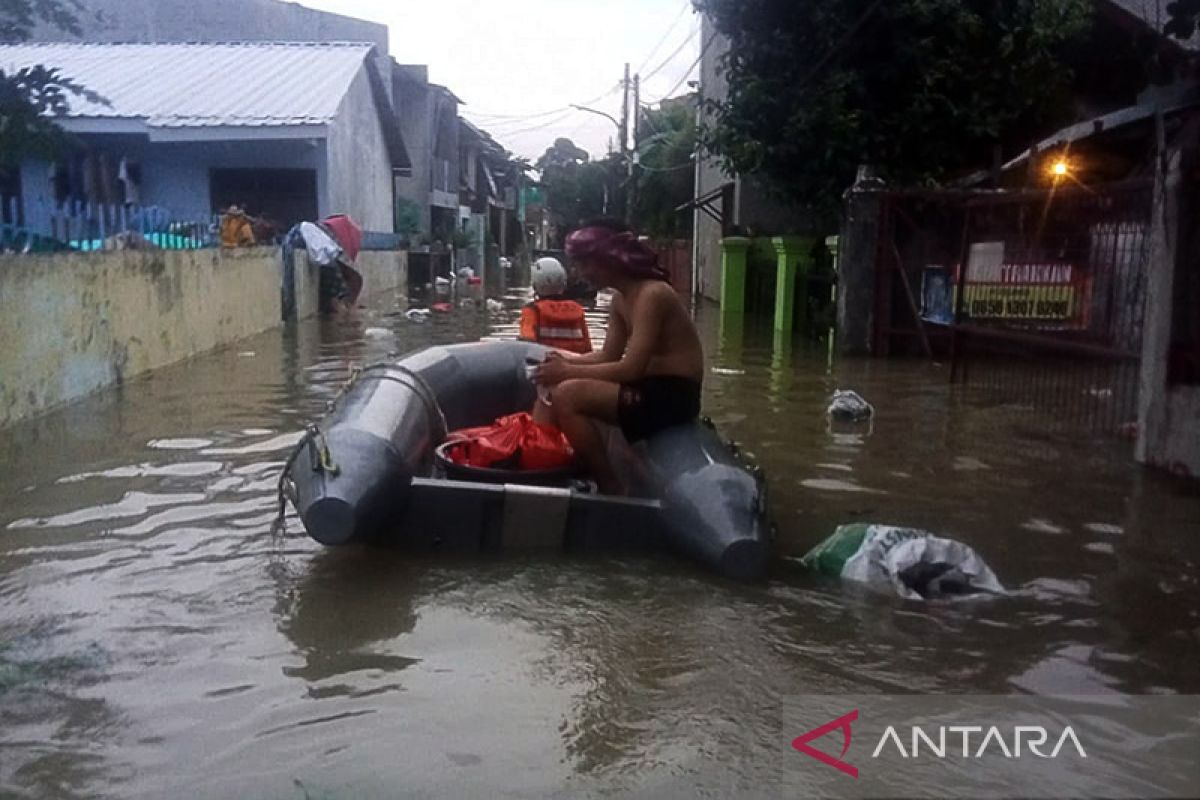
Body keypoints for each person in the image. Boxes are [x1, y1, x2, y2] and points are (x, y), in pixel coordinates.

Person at [532, 220, 704, 494]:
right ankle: (541, 469)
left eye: (586, 264)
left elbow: (631, 368)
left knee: (568, 394)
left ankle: (609, 486)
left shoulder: (652, 294)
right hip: (646, 388)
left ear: (610, 258)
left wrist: (567, 372)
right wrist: (562, 364)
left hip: (673, 395)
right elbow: (606, 355)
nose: (581, 273)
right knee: (551, 387)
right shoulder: (620, 300)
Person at [519, 257, 593, 355]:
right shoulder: (577, 309)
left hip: (546, 366)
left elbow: (526, 347)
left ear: (535, 284)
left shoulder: (532, 311)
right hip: (576, 366)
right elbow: (588, 350)